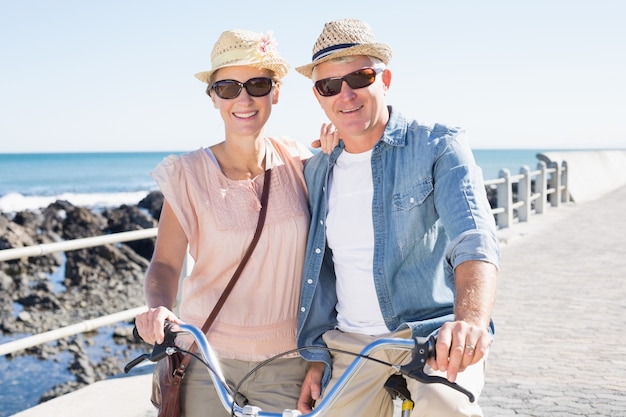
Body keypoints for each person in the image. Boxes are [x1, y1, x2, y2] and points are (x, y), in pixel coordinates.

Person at [294, 18, 500, 417]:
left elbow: (474, 238)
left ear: (384, 79)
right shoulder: (317, 169)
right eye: (330, 85)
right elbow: (325, 274)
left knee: (447, 409)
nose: (346, 94)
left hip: (432, 336)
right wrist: (318, 357)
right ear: (319, 96)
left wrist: (470, 323)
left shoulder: (438, 145)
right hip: (353, 345)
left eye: (360, 76)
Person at [134, 29, 313, 417]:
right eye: (228, 87)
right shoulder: (187, 175)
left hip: (287, 363)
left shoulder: (303, 162)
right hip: (203, 359)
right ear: (213, 97)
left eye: (258, 84)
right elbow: (165, 264)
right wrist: (160, 308)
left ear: (276, 92)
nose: (244, 99)